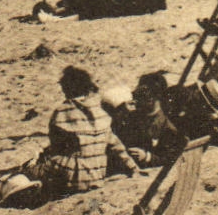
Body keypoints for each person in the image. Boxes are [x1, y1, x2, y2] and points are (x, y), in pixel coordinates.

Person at [15, 66, 136, 200]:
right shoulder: (100, 112)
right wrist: (133, 168)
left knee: (30, 171)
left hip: (73, 177)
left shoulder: (62, 112)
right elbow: (116, 146)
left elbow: (57, 149)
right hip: (97, 175)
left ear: (66, 88)